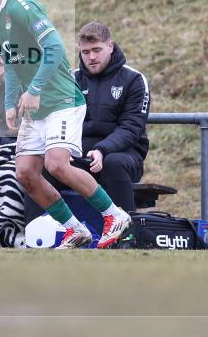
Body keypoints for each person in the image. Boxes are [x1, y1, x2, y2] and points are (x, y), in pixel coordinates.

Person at [0, 0, 130, 249]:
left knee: (57, 164)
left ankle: (114, 215)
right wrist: (10, 102)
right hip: (34, 108)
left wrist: (35, 89)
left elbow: (55, 50)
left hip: (62, 102)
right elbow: (12, 60)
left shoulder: (23, 6)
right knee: (26, 174)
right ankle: (74, 229)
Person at [25, 22, 150, 220]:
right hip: (78, 152)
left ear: (110, 46)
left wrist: (102, 149)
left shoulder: (134, 79)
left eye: (97, 50)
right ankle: (37, 236)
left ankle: (125, 234)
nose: (91, 57)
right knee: (42, 167)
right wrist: (62, 148)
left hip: (123, 154)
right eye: (85, 52)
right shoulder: (69, 80)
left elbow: (132, 127)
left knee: (113, 164)